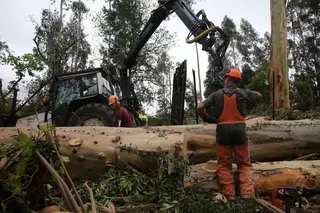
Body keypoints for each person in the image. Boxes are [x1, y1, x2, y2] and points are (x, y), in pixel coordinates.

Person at [197, 68, 262, 201]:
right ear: (238, 81)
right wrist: (247, 102)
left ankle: (230, 196)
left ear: (227, 79)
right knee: (244, 164)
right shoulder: (244, 93)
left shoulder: (217, 95)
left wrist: (206, 117)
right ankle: (247, 196)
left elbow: (199, 107)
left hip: (222, 131)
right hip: (240, 129)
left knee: (224, 166)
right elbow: (259, 95)